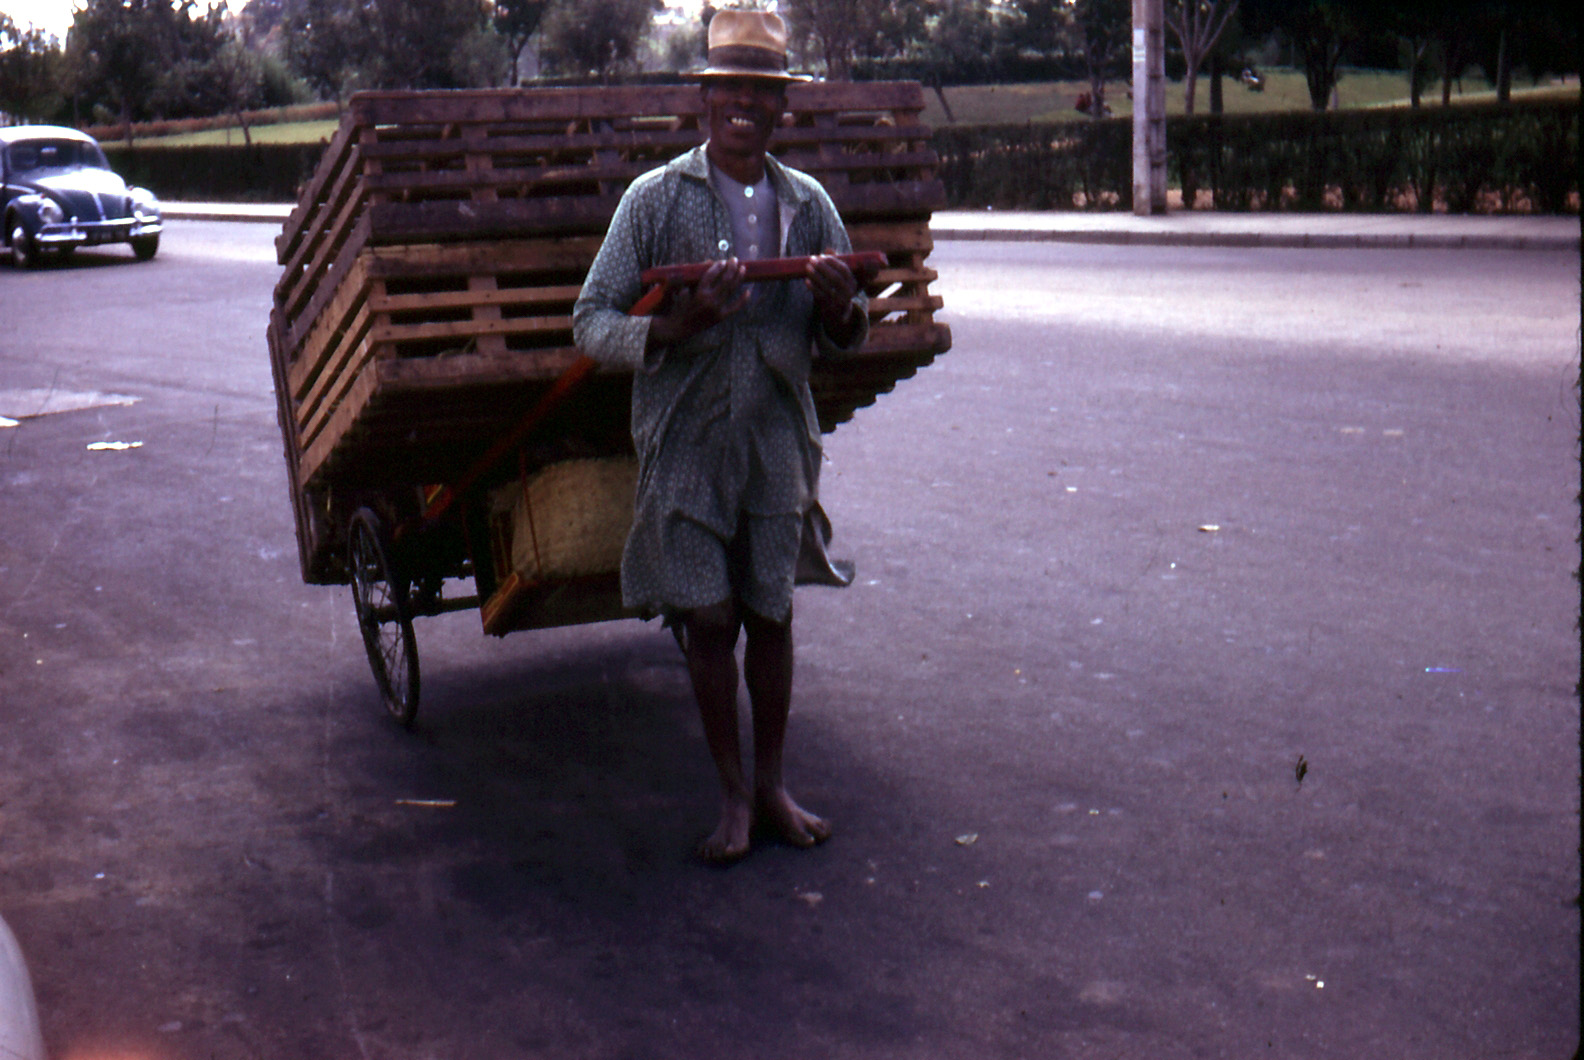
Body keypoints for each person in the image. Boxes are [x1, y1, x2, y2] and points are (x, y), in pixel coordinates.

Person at [573, 9, 868, 864]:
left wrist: (840, 311)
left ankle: (772, 786)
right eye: (730, 88)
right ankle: (732, 798)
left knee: (770, 614)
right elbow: (591, 321)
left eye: (762, 92)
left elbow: (845, 335)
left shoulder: (808, 206)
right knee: (709, 619)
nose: (744, 104)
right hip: (687, 441)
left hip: (777, 439)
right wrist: (675, 326)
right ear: (705, 103)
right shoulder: (655, 201)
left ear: (782, 109)